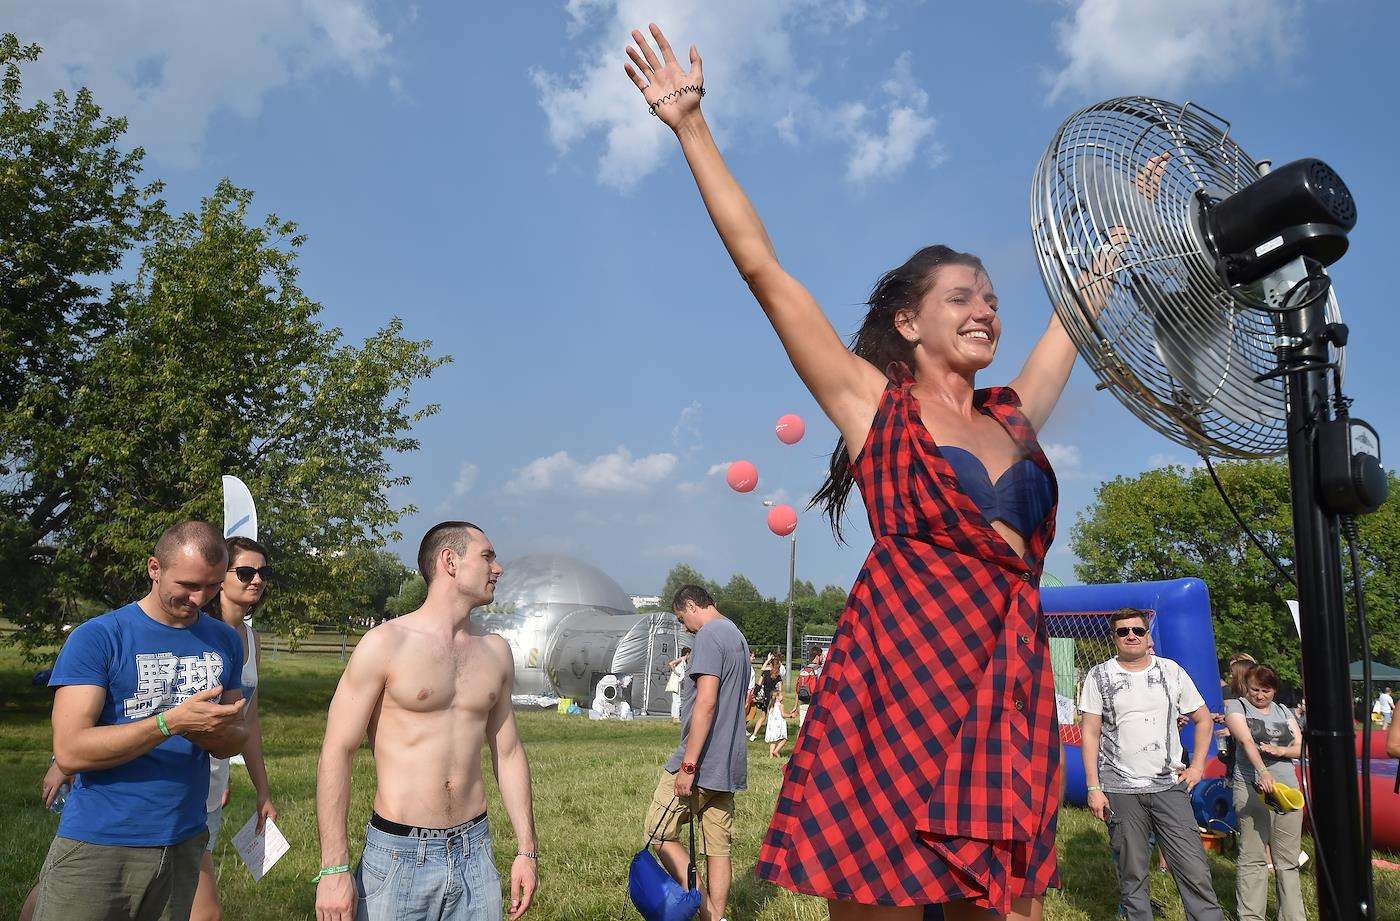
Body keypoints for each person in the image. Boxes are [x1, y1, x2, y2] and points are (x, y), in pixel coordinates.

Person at [622, 22, 1161, 920]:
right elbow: (765, 271)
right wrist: (691, 128)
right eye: (962, 295)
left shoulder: (1012, 413)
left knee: (1007, 905)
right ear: (909, 323)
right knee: (885, 897)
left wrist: (1126, 236)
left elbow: (1076, 314)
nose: (986, 306)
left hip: (1006, 677)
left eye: (991, 296)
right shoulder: (874, 406)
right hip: (901, 672)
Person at [315, 520, 538, 921]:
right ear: (449, 561)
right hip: (398, 856)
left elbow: (508, 752)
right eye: (487, 556)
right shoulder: (386, 643)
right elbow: (337, 751)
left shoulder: (495, 651)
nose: (498, 568)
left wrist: (526, 849)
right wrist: (334, 868)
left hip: (475, 852)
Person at [32, 520, 249, 921]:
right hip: (101, 840)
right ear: (154, 569)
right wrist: (170, 723)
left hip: (183, 839)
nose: (200, 598)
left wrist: (220, 732)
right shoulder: (98, 637)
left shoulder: (225, 640)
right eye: (187, 585)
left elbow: (237, 737)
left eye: (213, 586)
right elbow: (70, 749)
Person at [1079, 609, 1225, 921]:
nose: (1131, 635)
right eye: (1123, 632)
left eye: (1137, 630)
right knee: (1132, 875)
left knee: (1194, 869)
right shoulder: (1099, 675)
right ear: (1113, 638)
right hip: (1120, 788)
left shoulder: (1171, 671)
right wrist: (1093, 788)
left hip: (1169, 786)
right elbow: (1089, 733)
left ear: (1148, 637)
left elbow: (1203, 719)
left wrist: (1197, 767)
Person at [642, 585, 750, 921]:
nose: (685, 626)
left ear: (692, 605)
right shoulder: (738, 638)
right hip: (729, 765)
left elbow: (706, 701)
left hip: (699, 762)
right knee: (718, 849)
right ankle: (716, 918)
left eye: (682, 618)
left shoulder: (708, 636)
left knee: (657, 833)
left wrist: (688, 765)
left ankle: (708, 914)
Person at [193, 536, 279, 921]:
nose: (256, 580)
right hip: (172, 782)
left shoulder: (250, 637)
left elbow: (249, 720)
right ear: (220, 577)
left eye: (263, 573)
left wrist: (262, 791)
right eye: (246, 572)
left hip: (211, 782)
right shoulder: (194, 630)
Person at [1224, 664, 1305, 921]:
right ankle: (1250, 916)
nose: (1259, 695)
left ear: (1274, 690)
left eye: (1266, 690)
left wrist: (1281, 752)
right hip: (1251, 787)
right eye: (1255, 689)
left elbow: (1301, 748)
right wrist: (1262, 771)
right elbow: (1246, 740)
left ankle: (1292, 916)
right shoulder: (1237, 707)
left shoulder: (1284, 711)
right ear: (1246, 687)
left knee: (1288, 860)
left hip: (1287, 790)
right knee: (1253, 857)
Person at [748, 653, 780, 743]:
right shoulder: (778, 676)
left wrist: (768, 659)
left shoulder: (765, 673)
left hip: (765, 697)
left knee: (762, 717)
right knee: (773, 717)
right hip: (773, 698)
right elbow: (779, 689)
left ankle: (753, 735)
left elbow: (759, 684)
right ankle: (772, 735)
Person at [795, 646, 823, 727]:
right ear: (817, 656)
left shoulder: (803, 670)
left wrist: (795, 705)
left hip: (803, 702)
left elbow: (797, 688)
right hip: (815, 703)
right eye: (821, 656)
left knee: (802, 727)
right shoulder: (819, 670)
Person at [667, 647, 692, 723]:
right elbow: (671, 663)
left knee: (676, 699)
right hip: (676, 682)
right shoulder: (681, 659)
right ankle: (676, 717)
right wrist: (675, 672)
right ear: (687, 654)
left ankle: (674, 717)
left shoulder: (684, 661)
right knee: (677, 700)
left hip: (679, 682)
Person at [766, 684, 790, 758]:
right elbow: (783, 715)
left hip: (772, 725)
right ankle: (776, 751)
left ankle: (771, 755)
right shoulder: (780, 705)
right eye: (781, 695)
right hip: (779, 725)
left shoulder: (771, 706)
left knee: (774, 741)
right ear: (777, 697)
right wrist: (791, 715)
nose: (782, 696)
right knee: (784, 739)